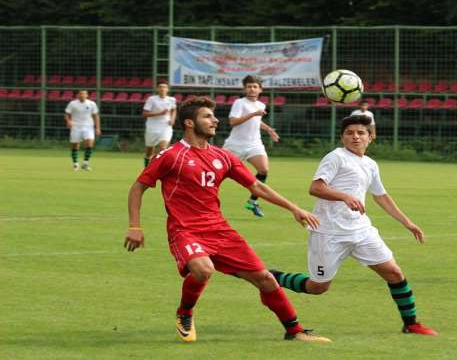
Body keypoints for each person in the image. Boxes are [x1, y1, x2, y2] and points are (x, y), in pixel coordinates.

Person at [124, 96, 330, 343]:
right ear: (189, 123)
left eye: (213, 116)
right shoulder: (171, 156)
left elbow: (257, 187)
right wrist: (135, 226)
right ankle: (185, 313)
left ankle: (294, 331)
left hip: (220, 230)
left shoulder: (223, 157)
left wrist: (293, 208)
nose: (215, 120)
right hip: (185, 230)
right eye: (207, 116)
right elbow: (138, 187)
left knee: (265, 279)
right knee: (203, 269)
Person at [270, 115, 438, 336]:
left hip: (361, 231)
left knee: (394, 273)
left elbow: (381, 196)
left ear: (371, 137)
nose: (355, 136)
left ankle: (411, 323)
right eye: (349, 133)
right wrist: (344, 197)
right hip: (329, 232)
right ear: (342, 137)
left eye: (360, 132)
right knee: (317, 287)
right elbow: (315, 188)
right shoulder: (336, 157)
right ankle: (272, 276)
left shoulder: (370, 164)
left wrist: (408, 223)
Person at [223, 75, 279, 218]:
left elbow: (256, 121)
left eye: (255, 86)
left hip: (254, 143)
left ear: (260, 89)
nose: (252, 89)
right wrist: (253, 114)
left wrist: (268, 129)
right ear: (244, 89)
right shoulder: (239, 103)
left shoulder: (261, 105)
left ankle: (252, 201)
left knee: (264, 170)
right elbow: (233, 122)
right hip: (234, 145)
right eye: (249, 86)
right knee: (218, 173)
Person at [142, 81, 177, 167]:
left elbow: (173, 110)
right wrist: (160, 113)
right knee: (149, 150)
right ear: (157, 89)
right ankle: (147, 167)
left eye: (164, 87)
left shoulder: (171, 99)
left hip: (166, 127)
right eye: (160, 87)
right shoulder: (152, 99)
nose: (162, 88)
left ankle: (158, 167)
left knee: (163, 148)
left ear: (167, 89)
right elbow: (145, 114)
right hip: (152, 127)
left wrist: (172, 119)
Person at [64, 90, 100, 171]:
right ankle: (75, 164)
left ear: (87, 95)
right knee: (75, 145)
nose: (82, 95)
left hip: (88, 127)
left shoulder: (92, 104)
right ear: (77, 95)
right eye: (80, 93)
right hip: (76, 126)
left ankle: (85, 163)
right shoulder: (72, 103)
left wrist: (97, 128)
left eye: (84, 94)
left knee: (89, 143)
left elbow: (96, 116)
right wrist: (68, 121)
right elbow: (67, 114)